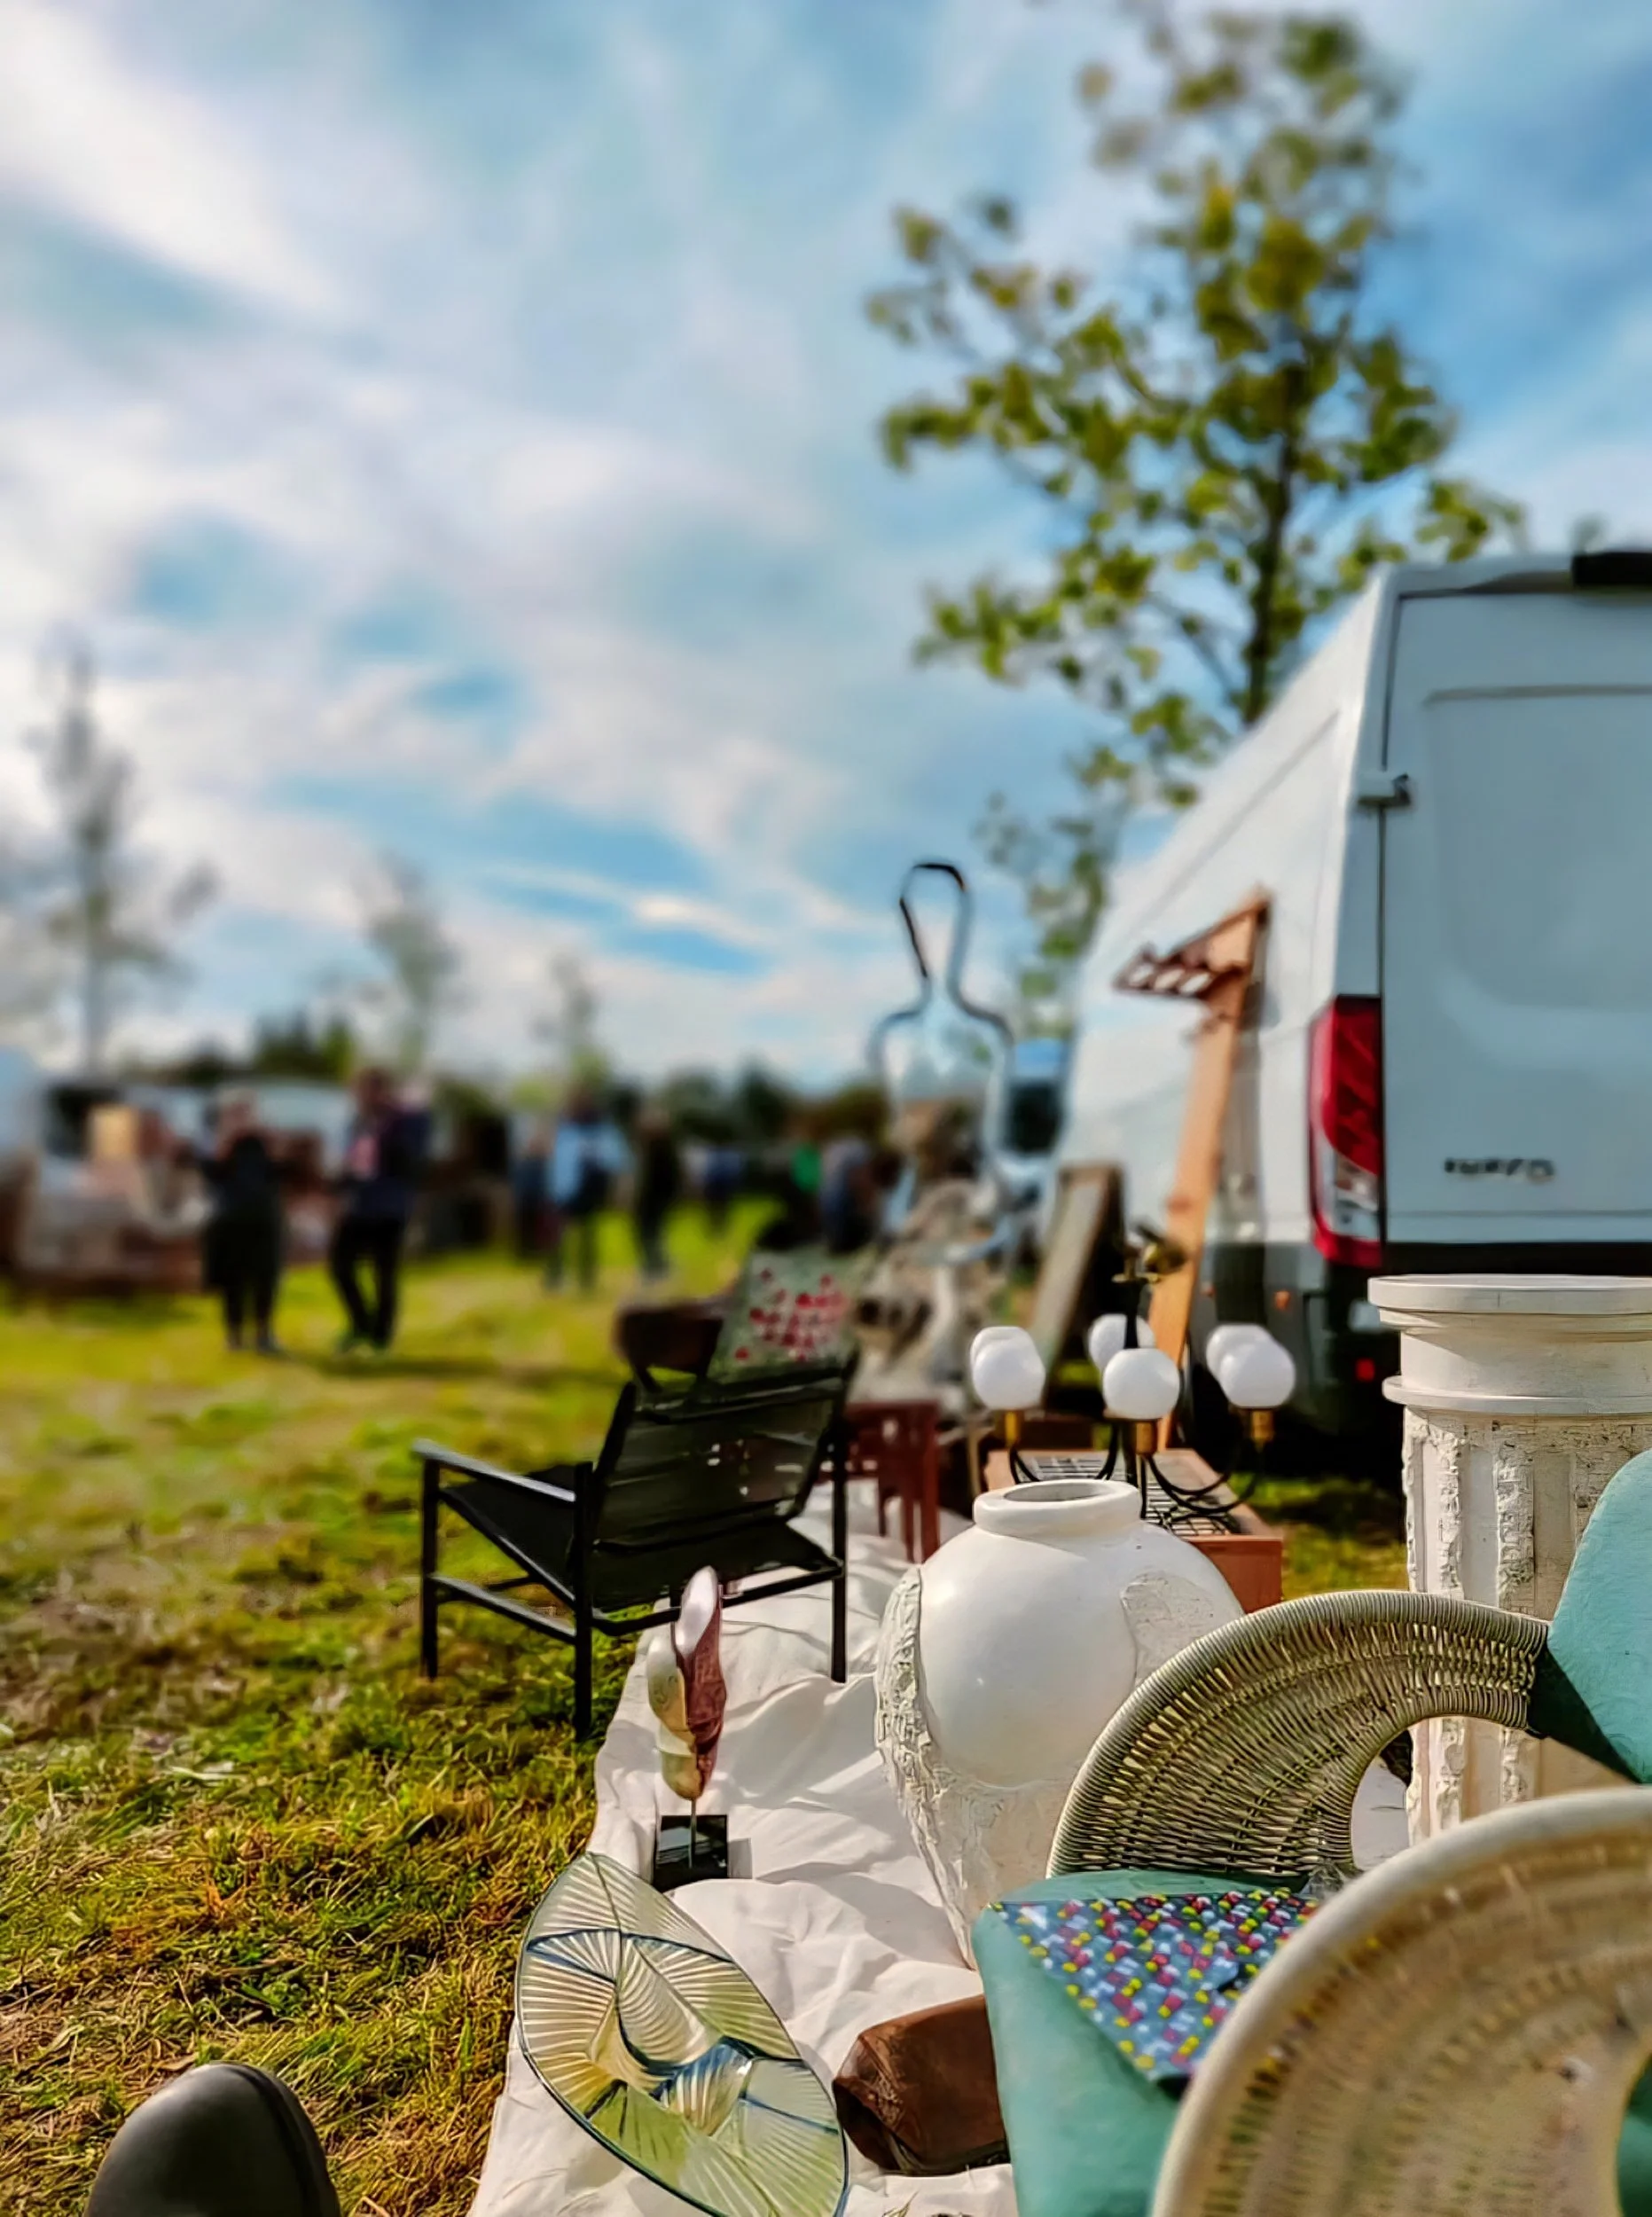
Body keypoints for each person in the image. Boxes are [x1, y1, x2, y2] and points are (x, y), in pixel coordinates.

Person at [329, 1069, 425, 1353]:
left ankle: (380, 1338)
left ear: (381, 1091)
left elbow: (411, 1160)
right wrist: (341, 1177)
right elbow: (354, 1159)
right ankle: (361, 1323)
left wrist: (388, 1137)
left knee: (384, 1273)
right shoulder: (358, 1123)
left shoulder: (404, 1121)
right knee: (340, 1266)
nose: (359, 1097)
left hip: (390, 1206)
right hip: (358, 1205)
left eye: (365, 1091)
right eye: (357, 1091)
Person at [187, 1094, 288, 1353]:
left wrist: (271, 1140)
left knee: (266, 1275)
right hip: (229, 1216)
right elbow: (211, 1173)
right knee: (234, 1279)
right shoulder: (213, 1140)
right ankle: (234, 1334)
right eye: (236, 1112)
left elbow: (282, 1171)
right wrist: (229, 1139)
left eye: (247, 1112)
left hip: (264, 1215)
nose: (243, 1118)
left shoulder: (263, 1141)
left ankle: (264, 1334)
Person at [544, 1085, 626, 1293]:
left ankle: (586, 1279)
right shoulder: (565, 1128)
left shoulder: (601, 1128)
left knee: (586, 1236)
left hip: (588, 1188)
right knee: (557, 1236)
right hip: (563, 1188)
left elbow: (615, 1158)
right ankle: (555, 1277)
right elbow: (556, 1159)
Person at [631, 1106, 682, 1281]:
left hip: (654, 1196)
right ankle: (655, 1265)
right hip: (652, 1196)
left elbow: (669, 1175)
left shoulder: (659, 1149)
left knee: (650, 1232)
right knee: (649, 1233)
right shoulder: (655, 1147)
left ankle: (656, 1266)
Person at [512, 1120, 551, 1259]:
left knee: (536, 1227)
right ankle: (525, 1252)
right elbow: (519, 1181)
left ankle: (534, 1251)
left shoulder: (541, 1164)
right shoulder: (526, 1163)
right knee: (525, 1228)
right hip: (526, 1198)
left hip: (536, 1199)